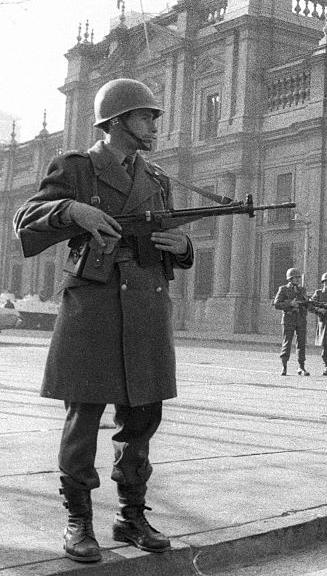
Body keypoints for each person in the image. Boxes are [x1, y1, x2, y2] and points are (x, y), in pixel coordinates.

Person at [13, 78, 193, 563]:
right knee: (84, 417)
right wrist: (72, 210)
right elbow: (25, 220)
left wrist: (183, 248)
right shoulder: (76, 168)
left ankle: (130, 516)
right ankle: (79, 521)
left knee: (142, 418)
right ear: (116, 122)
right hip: (93, 310)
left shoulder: (155, 179)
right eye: (146, 116)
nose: (155, 123)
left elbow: (167, 236)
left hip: (147, 310)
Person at [273, 268, 310, 376]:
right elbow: (276, 304)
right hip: (288, 319)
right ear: (290, 279)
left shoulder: (302, 290)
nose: (298, 279)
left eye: (299, 277)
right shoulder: (283, 289)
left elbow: (307, 304)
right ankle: (284, 367)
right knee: (287, 343)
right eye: (295, 278)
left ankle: (301, 367)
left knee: (301, 343)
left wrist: (307, 303)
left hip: (301, 319)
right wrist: (290, 303)